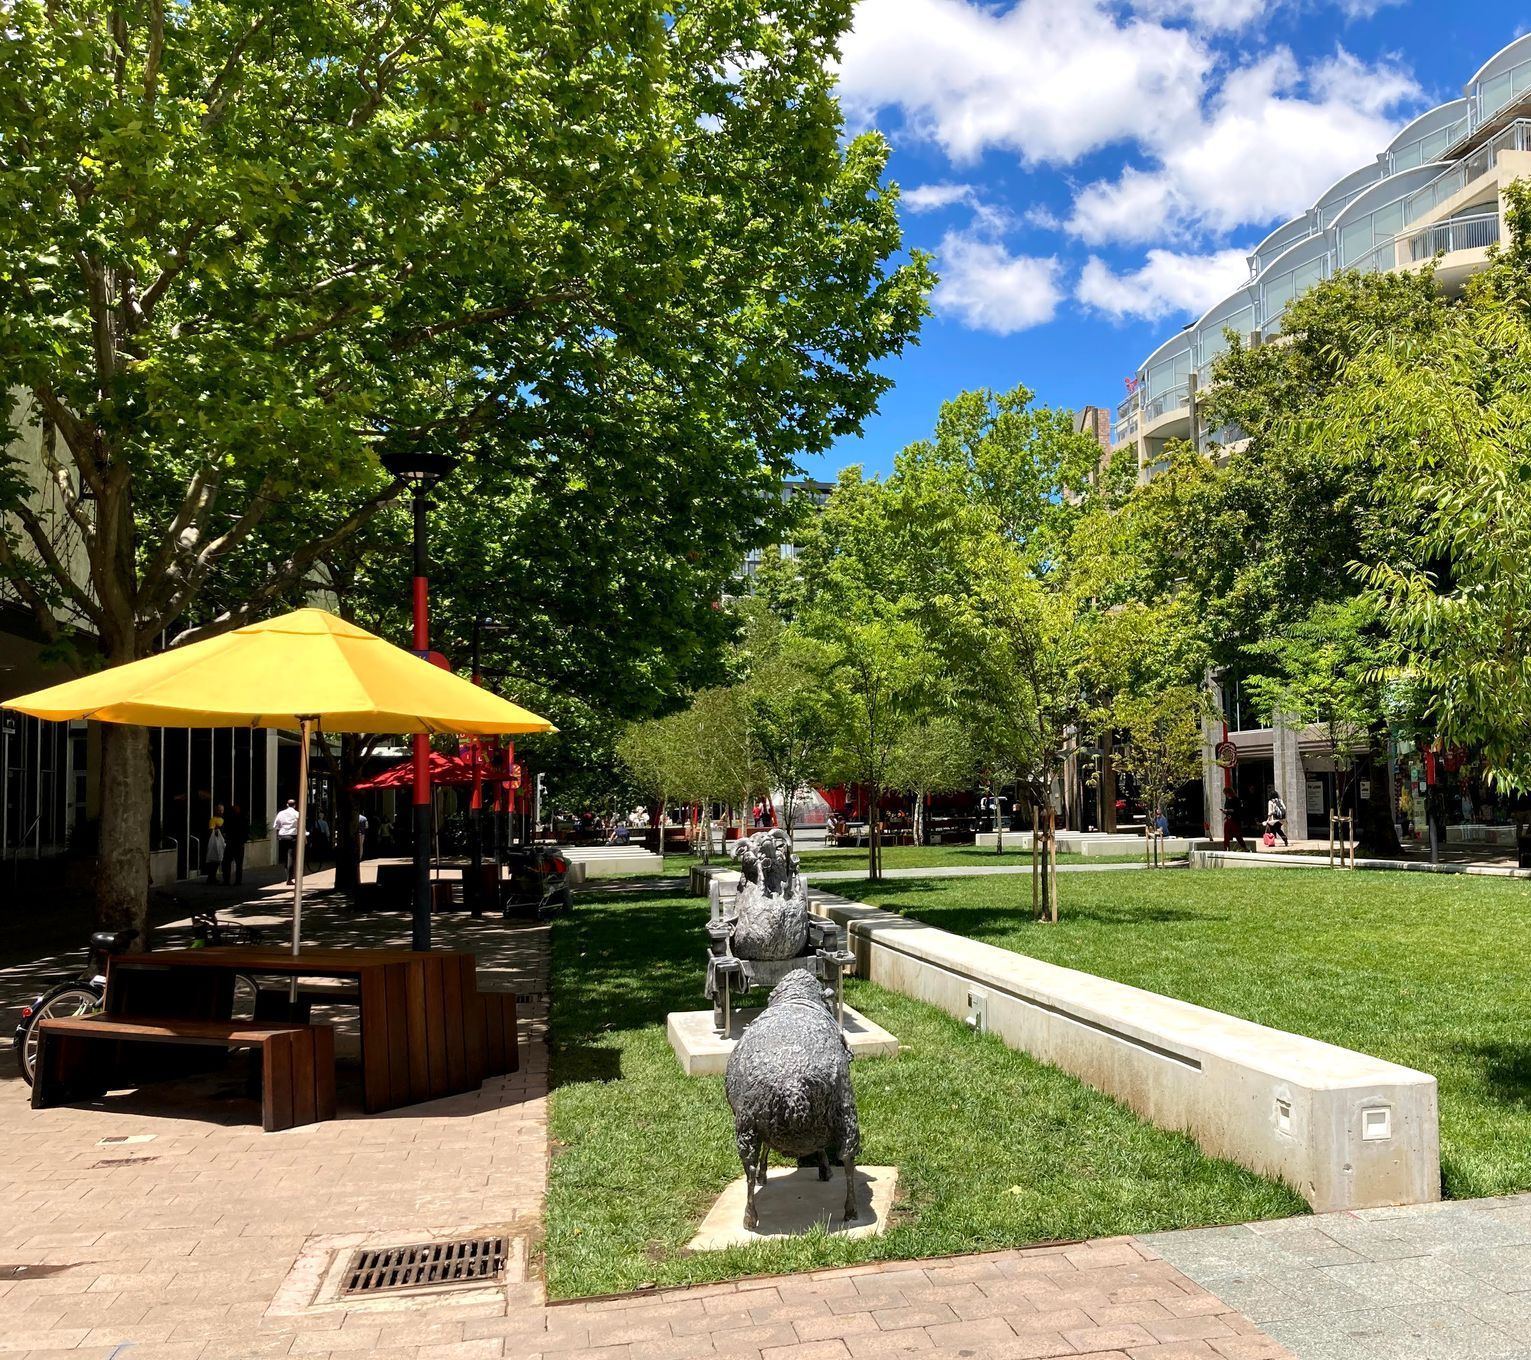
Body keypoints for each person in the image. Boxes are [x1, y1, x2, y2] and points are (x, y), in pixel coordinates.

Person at [221, 803, 249, 886]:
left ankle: (226, 880)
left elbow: (225, 830)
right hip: (239, 844)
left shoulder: (229, 819)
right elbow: (246, 832)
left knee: (226, 862)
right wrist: (243, 841)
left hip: (231, 843)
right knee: (239, 864)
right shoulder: (243, 819)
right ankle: (238, 881)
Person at [274, 798, 301, 884]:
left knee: (285, 857)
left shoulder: (281, 813)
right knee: (291, 856)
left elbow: (276, 826)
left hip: (282, 836)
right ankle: (289, 878)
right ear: (295, 805)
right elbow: (300, 826)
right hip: (292, 836)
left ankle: (287, 875)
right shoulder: (297, 814)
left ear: (287, 804)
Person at [1222, 787, 1250, 852]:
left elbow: (1237, 810)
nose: (1226, 795)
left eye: (1227, 793)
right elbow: (1226, 808)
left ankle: (1244, 846)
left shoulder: (1236, 799)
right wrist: (1225, 812)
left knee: (1237, 834)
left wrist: (1228, 810)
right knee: (1226, 834)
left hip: (1235, 819)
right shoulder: (1227, 800)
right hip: (1228, 818)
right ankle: (1226, 847)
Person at [204, 803, 226, 883]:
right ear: (216, 810)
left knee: (218, 860)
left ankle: (212, 877)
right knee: (214, 860)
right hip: (215, 843)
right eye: (219, 810)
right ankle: (211, 877)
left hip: (221, 842)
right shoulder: (213, 819)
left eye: (222, 810)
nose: (221, 812)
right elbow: (211, 831)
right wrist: (216, 831)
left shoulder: (223, 819)